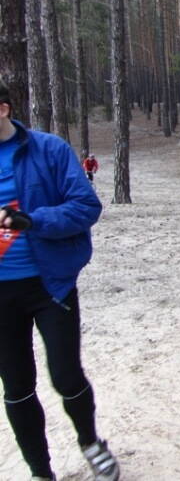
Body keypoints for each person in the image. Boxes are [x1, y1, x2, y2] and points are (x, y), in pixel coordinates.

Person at [0, 84, 119, 481]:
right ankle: (40, 472)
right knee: (17, 387)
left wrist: (32, 220)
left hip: (50, 285)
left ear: (3, 109)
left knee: (66, 376)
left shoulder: (49, 150)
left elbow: (86, 206)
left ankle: (90, 442)